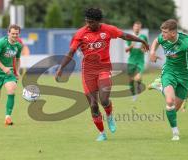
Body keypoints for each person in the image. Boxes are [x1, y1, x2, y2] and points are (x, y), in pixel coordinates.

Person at [55, 8, 149, 141]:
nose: (88, 24)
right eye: (87, 21)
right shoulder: (80, 34)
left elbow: (124, 35)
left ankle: (109, 116)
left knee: (104, 100)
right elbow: (71, 52)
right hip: (88, 73)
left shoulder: (108, 29)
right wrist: (61, 67)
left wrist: (142, 41)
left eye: (91, 22)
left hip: (104, 69)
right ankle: (102, 133)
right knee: (93, 105)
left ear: (99, 21)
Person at [150, 19, 188, 141]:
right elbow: (156, 41)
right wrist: (152, 52)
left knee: (174, 109)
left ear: (173, 33)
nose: (162, 35)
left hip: (184, 76)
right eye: (162, 32)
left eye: (165, 32)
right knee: (169, 101)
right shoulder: (163, 38)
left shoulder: (185, 42)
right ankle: (175, 131)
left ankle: (160, 87)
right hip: (169, 72)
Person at [0, 24, 23, 126]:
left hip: (9, 72)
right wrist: (3, 68)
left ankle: (8, 117)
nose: (15, 35)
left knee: (11, 90)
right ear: (8, 33)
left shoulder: (18, 46)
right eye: (13, 33)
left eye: (17, 34)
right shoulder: (2, 42)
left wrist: (17, 71)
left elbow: (18, 59)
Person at [125, 21, 148, 101]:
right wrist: (132, 45)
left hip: (140, 61)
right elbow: (126, 50)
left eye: (139, 27)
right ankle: (133, 94)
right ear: (133, 27)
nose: (137, 28)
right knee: (130, 80)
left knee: (138, 77)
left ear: (140, 28)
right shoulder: (129, 37)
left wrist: (143, 49)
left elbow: (146, 49)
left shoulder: (143, 37)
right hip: (131, 61)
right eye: (136, 26)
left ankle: (138, 86)